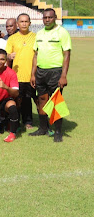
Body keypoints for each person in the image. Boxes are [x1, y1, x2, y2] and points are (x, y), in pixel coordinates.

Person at [30, 8, 71, 142]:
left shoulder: (62, 32)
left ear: (55, 18)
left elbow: (66, 55)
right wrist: (33, 74)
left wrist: (63, 75)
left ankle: (58, 130)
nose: (47, 20)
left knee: (55, 101)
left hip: (55, 71)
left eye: (50, 17)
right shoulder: (40, 33)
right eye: (45, 18)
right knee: (41, 99)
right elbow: (35, 55)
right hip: (41, 71)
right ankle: (43, 128)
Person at [5, 13, 36, 130]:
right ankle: (15, 122)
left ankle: (28, 122)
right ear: (17, 24)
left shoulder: (35, 37)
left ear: (30, 23)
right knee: (17, 101)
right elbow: (6, 55)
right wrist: (9, 56)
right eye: (21, 22)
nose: (24, 24)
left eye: (26, 21)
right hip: (16, 75)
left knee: (29, 100)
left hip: (31, 75)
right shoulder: (12, 38)